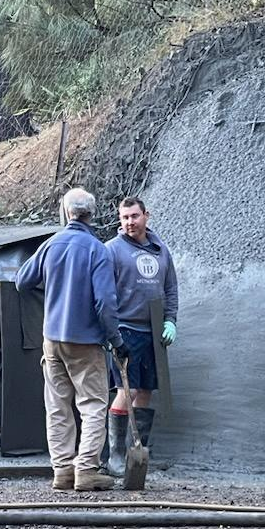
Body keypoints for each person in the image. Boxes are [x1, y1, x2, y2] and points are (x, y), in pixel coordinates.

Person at [16, 186, 122, 492]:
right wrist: (116, 340)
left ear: (66, 213)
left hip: (52, 339)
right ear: (92, 215)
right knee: (92, 404)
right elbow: (105, 303)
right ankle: (86, 469)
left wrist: (54, 292)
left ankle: (62, 469)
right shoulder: (97, 250)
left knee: (58, 405)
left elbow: (23, 282)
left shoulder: (51, 244)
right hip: (85, 342)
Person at [104, 195, 178, 477]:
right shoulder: (111, 250)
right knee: (127, 390)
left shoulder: (161, 251)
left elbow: (171, 289)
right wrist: (108, 331)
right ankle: (115, 456)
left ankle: (137, 453)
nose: (129, 223)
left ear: (146, 215)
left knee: (145, 391)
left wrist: (171, 321)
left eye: (134, 216)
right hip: (125, 329)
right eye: (124, 218)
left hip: (154, 332)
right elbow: (105, 293)